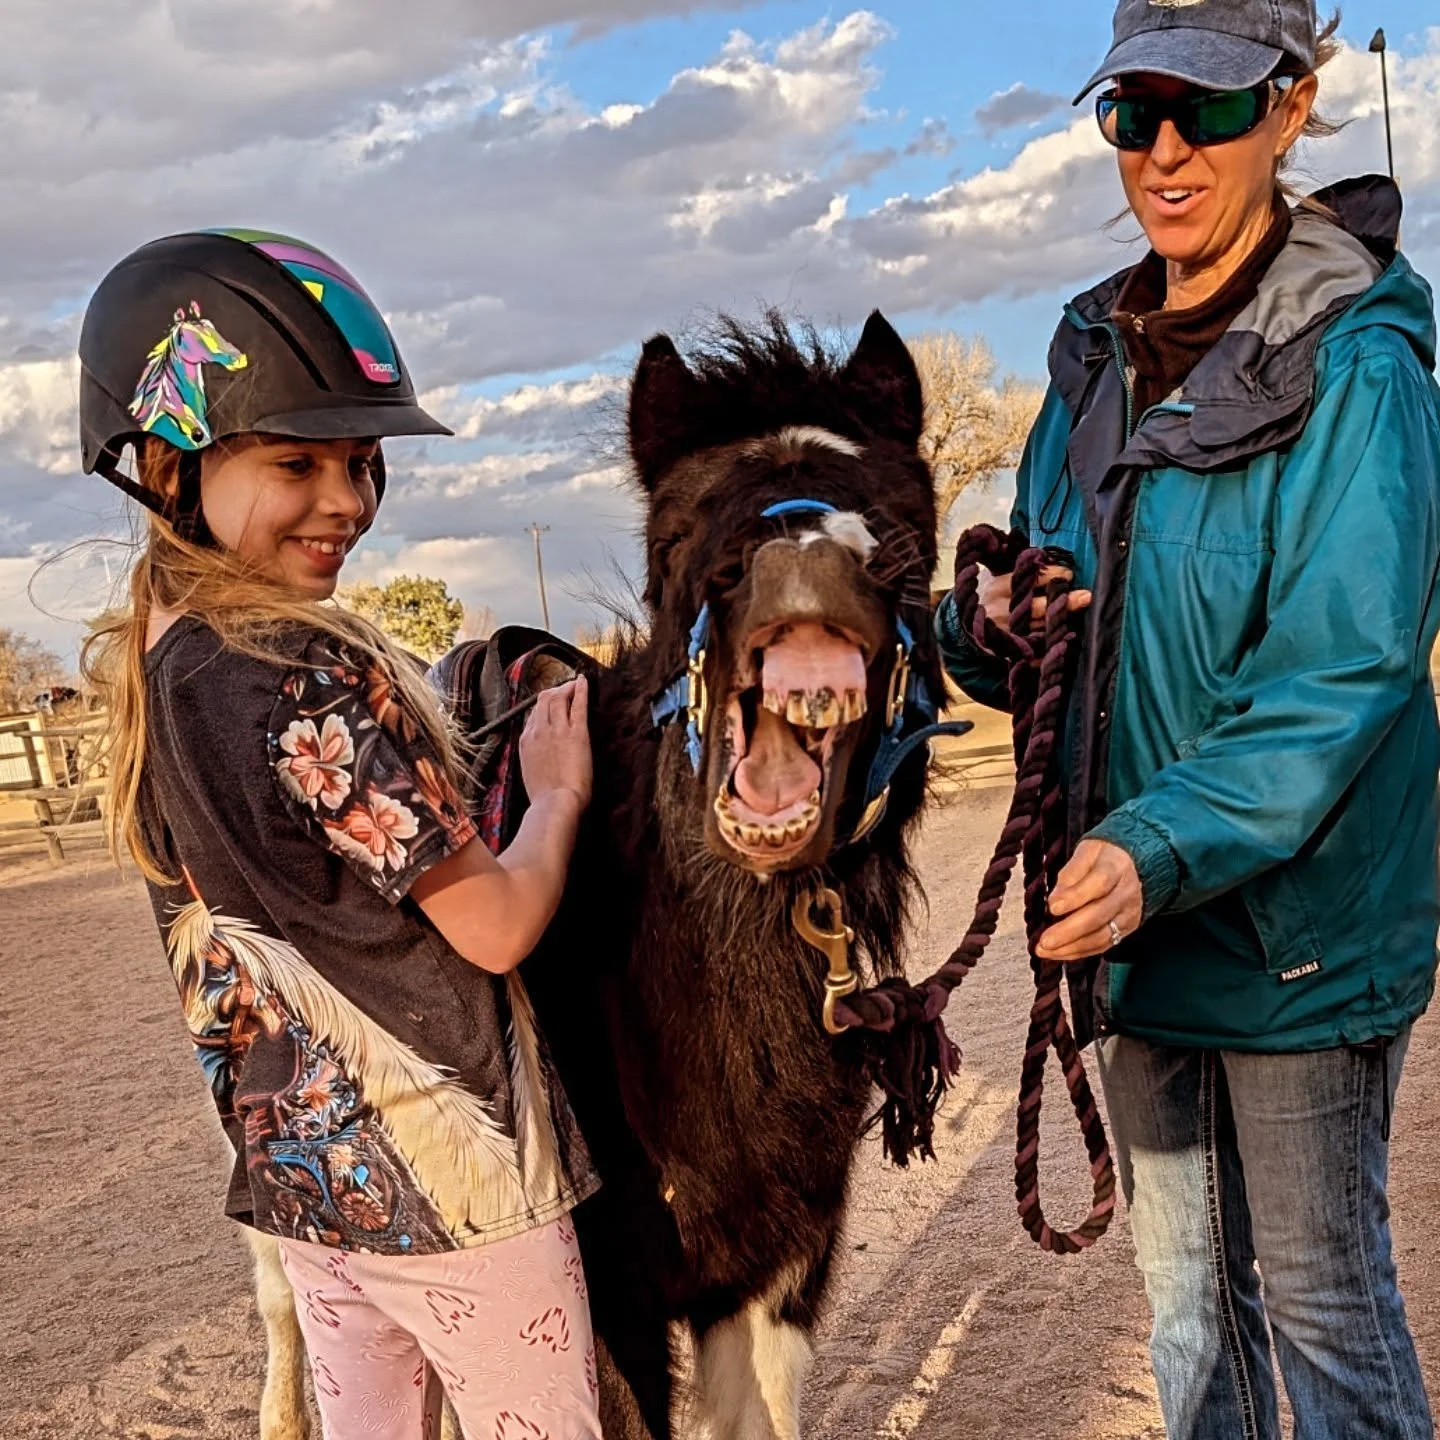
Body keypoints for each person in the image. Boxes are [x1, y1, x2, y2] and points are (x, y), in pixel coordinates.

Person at [937, 3, 1440, 1436]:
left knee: (1323, 1301)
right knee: (1185, 1309)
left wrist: (1154, 844)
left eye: (1208, 110)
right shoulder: (1091, 354)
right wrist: (988, 631)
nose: (1163, 151)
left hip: (1297, 937)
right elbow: (1045, 595)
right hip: (1133, 929)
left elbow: (1343, 671)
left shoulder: (1362, 365)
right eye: (1131, 112)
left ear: (1289, 110)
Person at [78, 229, 603, 1440]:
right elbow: (497, 923)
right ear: (168, 466)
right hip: (458, 1192)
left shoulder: (156, 668)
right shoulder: (310, 674)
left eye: (362, 463)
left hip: (303, 1188)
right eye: (297, 462)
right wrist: (558, 790)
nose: (346, 502)